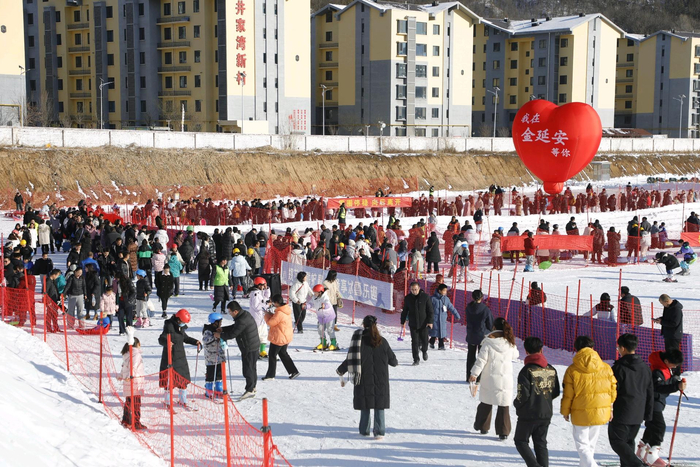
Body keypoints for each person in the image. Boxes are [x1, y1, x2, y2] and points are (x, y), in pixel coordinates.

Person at [337, 315, 398, 440]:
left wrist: (341, 370)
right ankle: (379, 432)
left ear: (364, 325)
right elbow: (393, 362)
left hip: (363, 378)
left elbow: (350, 360)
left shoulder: (358, 342)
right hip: (381, 380)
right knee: (379, 405)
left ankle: (364, 431)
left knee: (365, 403)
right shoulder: (383, 341)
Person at [561, 335, 617, 467]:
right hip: (600, 410)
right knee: (591, 444)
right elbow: (613, 390)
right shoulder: (606, 367)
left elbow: (568, 394)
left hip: (580, 411)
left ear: (576, 349)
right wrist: (610, 407)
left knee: (582, 444)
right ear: (592, 348)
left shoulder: (572, 369)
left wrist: (565, 411)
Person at [469, 318, 519, 440]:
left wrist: (474, 374)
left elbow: (481, 360)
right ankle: (503, 432)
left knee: (486, 402)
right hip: (505, 379)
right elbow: (515, 355)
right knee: (504, 405)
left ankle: (483, 426)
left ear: (494, 328)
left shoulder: (488, 342)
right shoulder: (509, 343)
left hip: (490, 378)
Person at [513, 336, 561, 467]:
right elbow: (556, 391)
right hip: (546, 412)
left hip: (529, 413)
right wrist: (544, 400)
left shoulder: (526, 370)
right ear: (541, 350)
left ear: (526, 351)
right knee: (540, 443)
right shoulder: (551, 369)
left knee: (520, 441)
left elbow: (523, 394)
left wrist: (517, 404)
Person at [609, 334, 653, 467]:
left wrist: (608, 407)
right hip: (638, 411)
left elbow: (611, 390)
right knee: (628, 442)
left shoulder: (619, 367)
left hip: (622, 411)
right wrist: (648, 414)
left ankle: (637, 465)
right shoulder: (645, 367)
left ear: (623, 348)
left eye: (618, 348)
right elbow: (650, 391)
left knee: (617, 441)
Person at [638, 349, 686, 466]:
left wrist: (676, 381)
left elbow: (667, 380)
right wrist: (676, 386)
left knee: (652, 426)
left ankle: (642, 451)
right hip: (652, 402)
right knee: (659, 426)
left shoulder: (664, 367)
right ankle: (652, 455)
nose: (675, 367)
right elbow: (658, 387)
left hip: (657, 402)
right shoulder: (657, 371)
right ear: (666, 361)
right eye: (674, 364)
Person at [216, 301, 261, 401]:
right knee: (252, 368)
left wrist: (220, 335)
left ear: (235, 311)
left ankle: (250, 390)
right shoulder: (243, 315)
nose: (230, 313)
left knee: (248, 369)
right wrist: (223, 329)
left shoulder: (242, 320)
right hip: (253, 346)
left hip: (249, 347)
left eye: (230, 312)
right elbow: (235, 327)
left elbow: (233, 334)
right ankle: (252, 387)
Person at [158, 309, 202, 409]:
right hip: (170, 358)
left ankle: (183, 400)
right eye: (182, 322)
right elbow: (161, 339)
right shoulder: (169, 326)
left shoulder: (180, 327)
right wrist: (167, 342)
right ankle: (167, 402)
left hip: (180, 357)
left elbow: (185, 338)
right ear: (178, 319)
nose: (183, 324)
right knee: (169, 381)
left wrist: (195, 342)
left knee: (183, 380)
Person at [263, 294, 300, 380]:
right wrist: (270, 314)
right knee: (283, 354)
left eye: (273, 302)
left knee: (272, 355)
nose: (272, 304)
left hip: (279, 338)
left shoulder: (279, 313)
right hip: (285, 336)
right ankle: (294, 371)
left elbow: (271, 323)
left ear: (276, 302)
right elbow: (276, 319)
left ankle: (270, 375)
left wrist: (266, 315)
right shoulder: (284, 309)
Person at [118, 327, 146, 430]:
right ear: (138, 344)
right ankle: (136, 422)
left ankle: (126, 420)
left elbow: (124, 366)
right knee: (136, 403)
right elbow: (133, 367)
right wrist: (130, 376)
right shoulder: (136, 354)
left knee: (129, 402)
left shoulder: (127, 354)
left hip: (128, 382)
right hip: (135, 381)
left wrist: (122, 376)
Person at [400, 282, 434, 366]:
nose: (414, 291)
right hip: (413, 323)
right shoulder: (408, 298)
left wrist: (430, 321)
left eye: (415, 289)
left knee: (425, 340)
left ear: (419, 289)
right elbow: (405, 310)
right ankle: (416, 359)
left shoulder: (425, 297)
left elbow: (430, 310)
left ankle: (424, 351)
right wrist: (402, 321)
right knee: (414, 342)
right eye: (412, 290)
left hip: (424, 323)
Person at [465, 289, 494, 381]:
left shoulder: (468, 307)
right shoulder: (485, 309)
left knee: (470, 356)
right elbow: (490, 323)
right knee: (481, 358)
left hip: (471, 334)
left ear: (472, 297)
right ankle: (479, 378)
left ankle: (469, 376)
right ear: (482, 297)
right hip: (482, 335)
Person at [202, 312, 226, 398]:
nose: (221, 323)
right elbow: (206, 341)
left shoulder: (218, 329)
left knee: (219, 374)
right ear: (215, 322)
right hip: (211, 358)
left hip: (220, 356)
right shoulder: (207, 330)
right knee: (210, 374)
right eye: (220, 322)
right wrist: (215, 336)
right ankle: (208, 390)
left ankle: (219, 389)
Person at [429, 284, 460, 350]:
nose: (445, 292)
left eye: (446, 290)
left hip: (442, 319)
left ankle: (441, 345)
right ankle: (431, 343)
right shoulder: (432, 299)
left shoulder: (446, 299)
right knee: (434, 332)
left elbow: (451, 307)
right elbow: (428, 309)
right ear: (439, 290)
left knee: (441, 332)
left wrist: (456, 315)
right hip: (434, 319)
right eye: (444, 290)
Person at [308, 283, 337, 351]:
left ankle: (333, 344)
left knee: (330, 329)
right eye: (314, 292)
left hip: (329, 316)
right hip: (321, 316)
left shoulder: (325, 297)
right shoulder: (314, 297)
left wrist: (325, 306)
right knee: (320, 329)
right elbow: (311, 303)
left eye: (316, 292)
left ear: (320, 292)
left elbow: (328, 303)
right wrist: (306, 306)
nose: (314, 293)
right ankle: (323, 343)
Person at [249, 276, 272, 358]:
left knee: (264, 334)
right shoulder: (255, 294)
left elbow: (266, 297)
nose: (264, 286)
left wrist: (267, 289)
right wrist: (266, 304)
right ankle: (254, 351)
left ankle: (262, 351)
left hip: (262, 318)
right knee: (257, 335)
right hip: (257, 318)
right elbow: (256, 307)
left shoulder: (260, 292)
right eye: (263, 285)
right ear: (258, 285)